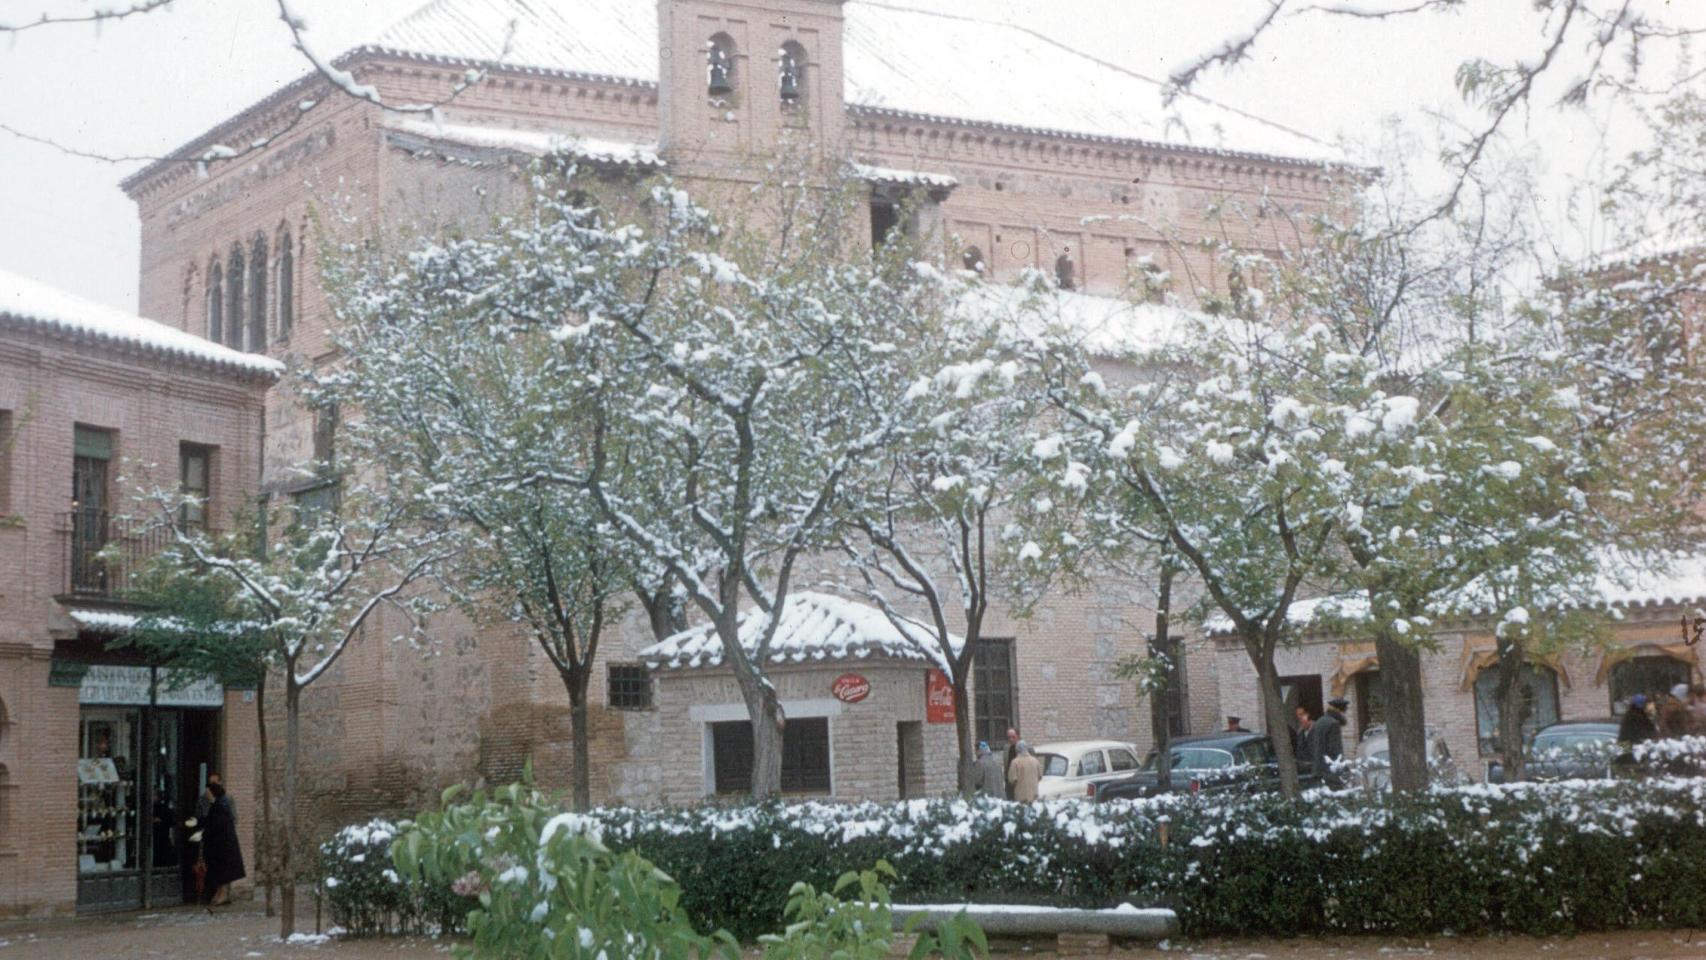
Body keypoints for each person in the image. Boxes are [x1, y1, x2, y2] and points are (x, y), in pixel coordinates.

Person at [201, 780, 245, 907]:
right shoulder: (218, 806)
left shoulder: (220, 807)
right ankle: (219, 894)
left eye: (208, 792)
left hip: (223, 846)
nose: (206, 794)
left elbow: (218, 826)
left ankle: (223, 895)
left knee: (223, 873)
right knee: (219, 873)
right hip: (221, 846)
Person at [1309, 698, 1348, 786]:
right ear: (1339, 710)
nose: (1344, 714)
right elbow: (1335, 750)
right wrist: (1343, 767)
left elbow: (1311, 744)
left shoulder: (1319, 721)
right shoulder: (1333, 724)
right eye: (1343, 711)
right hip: (1330, 771)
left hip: (1317, 769)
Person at [1292, 706, 1316, 775]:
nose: (1300, 718)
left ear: (1308, 714)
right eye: (1298, 716)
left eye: (1302, 714)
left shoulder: (1318, 730)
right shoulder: (1300, 733)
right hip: (1303, 769)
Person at [1003, 728, 1020, 799]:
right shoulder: (1006, 748)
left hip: (1019, 780)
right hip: (1009, 780)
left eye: (1013, 737)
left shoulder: (1023, 748)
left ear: (1018, 737)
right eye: (1009, 737)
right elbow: (1005, 763)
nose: (1011, 739)